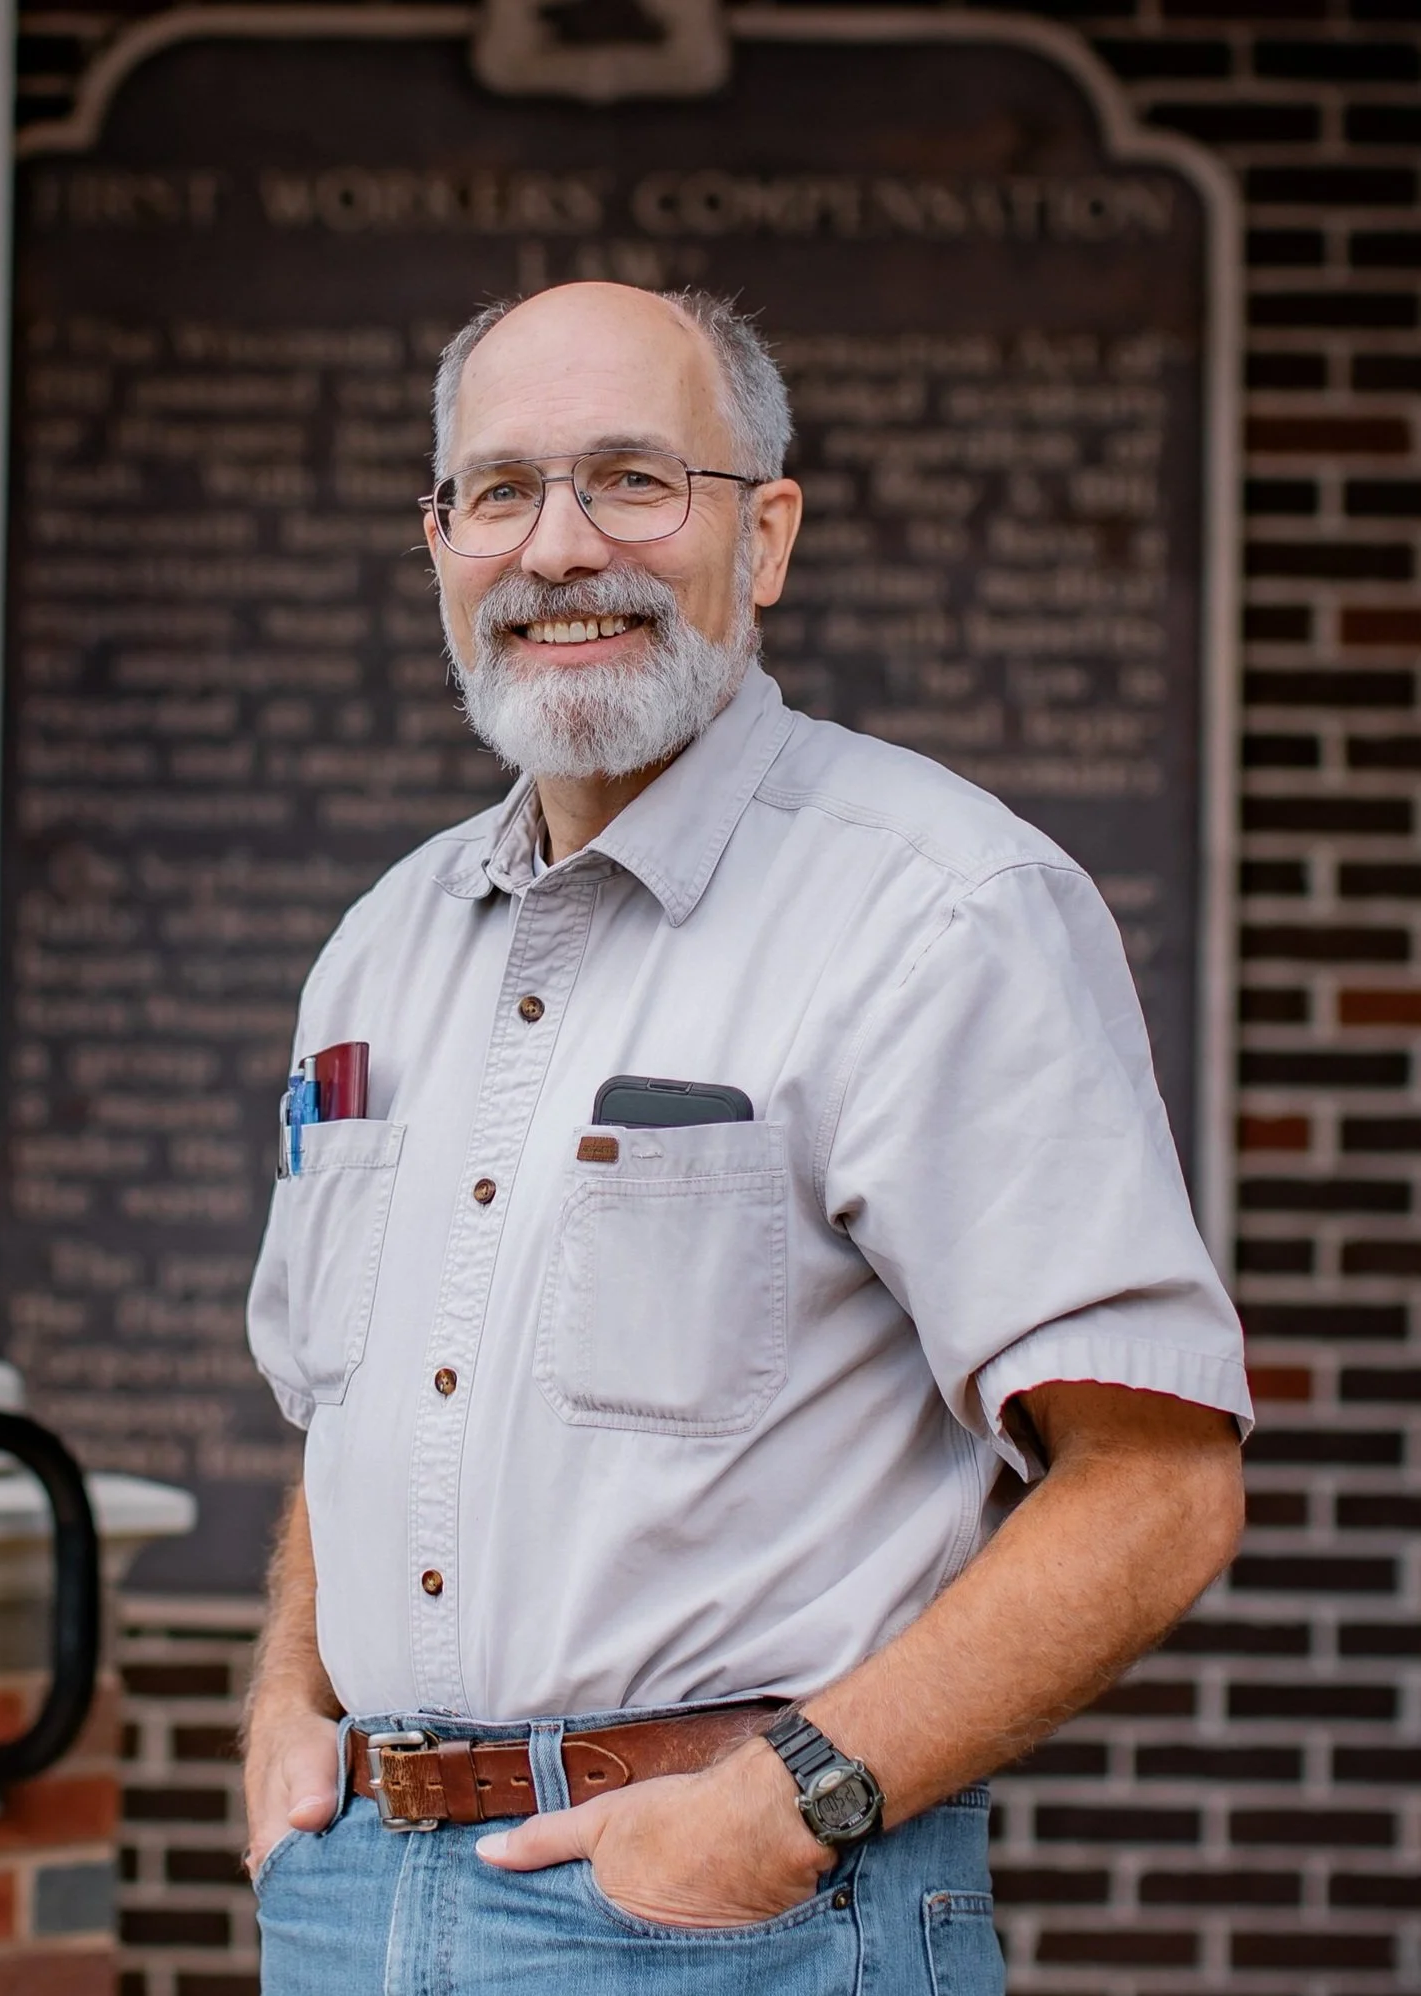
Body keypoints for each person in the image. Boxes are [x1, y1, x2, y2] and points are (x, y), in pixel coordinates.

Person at [242, 281, 1248, 1995]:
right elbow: (370, 1404)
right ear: (439, 542)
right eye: (500, 491)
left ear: (763, 535)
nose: (560, 548)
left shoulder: (937, 912)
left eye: (634, 480)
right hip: (356, 1903)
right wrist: (286, 1703)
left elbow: (1157, 1490)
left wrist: (772, 1818)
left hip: (723, 1928)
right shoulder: (383, 944)